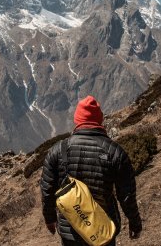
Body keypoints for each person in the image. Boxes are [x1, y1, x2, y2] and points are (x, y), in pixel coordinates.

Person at [40, 95, 142, 245]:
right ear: (99, 120)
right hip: (103, 228)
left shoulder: (58, 150)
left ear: (77, 120)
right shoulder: (114, 152)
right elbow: (126, 195)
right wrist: (134, 223)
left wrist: (50, 219)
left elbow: (47, 189)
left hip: (71, 228)